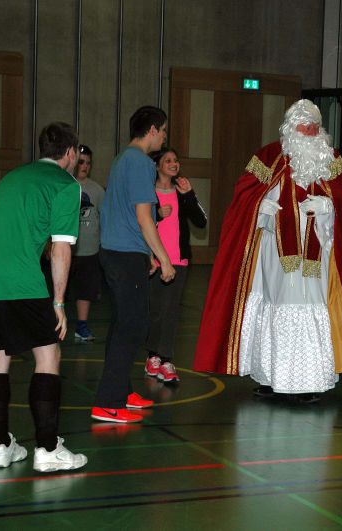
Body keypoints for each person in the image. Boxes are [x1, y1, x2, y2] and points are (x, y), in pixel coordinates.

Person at [193, 99, 342, 403]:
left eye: (314, 126)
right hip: (275, 253)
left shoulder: (332, 159)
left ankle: (309, 381)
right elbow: (243, 196)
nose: (310, 131)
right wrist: (261, 209)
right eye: (304, 125)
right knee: (275, 307)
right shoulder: (268, 156)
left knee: (310, 307)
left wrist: (327, 207)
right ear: (290, 127)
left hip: (316, 255)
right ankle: (273, 377)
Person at [0, 122, 88, 471]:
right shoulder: (66, 185)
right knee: (49, 356)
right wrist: (59, 302)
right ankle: (48, 450)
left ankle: (1, 447)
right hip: (20, 282)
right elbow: (62, 249)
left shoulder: (14, 176)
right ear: (69, 153)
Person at [92, 106, 175, 423]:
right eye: (164, 131)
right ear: (153, 129)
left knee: (121, 324)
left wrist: (148, 255)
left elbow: (122, 213)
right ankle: (108, 402)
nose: (164, 137)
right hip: (124, 256)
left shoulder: (121, 159)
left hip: (116, 252)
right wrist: (165, 260)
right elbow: (143, 217)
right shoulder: (141, 163)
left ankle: (122, 391)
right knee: (133, 325)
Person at [144, 147, 207, 383]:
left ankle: (166, 359)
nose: (173, 164)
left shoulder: (182, 192)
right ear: (158, 165)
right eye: (168, 160)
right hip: (154, 261)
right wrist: (157, 214)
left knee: (171, 311)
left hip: (178, 261)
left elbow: (201, 221)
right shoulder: (148, 193)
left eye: (176, 160)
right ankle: (153, 356)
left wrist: (190, 195)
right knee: (156, 310)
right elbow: (138, 222)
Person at [70, 144, 105, 342]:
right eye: (81, 162)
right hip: (66, 250)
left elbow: (105, 218)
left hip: (89, 252)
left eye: (88, 163)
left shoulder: (97, 190)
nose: (84, 166)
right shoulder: (64, 185)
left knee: (85, 289)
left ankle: (81, 326)